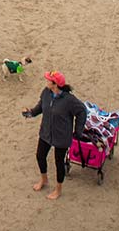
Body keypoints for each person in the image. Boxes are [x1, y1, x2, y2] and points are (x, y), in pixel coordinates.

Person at [22, 70, 86, 201]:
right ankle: (44, 180)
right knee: (40, 156)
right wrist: (30, 113)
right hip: (46, 132)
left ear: (55, 84)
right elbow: (41, 107)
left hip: (61, 136)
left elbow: (82, 111)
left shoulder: (69, 100)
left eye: (48, 80)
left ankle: (58, 189)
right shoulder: (46, 92)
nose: (46, 81)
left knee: (59, 163)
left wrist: (78, 131)